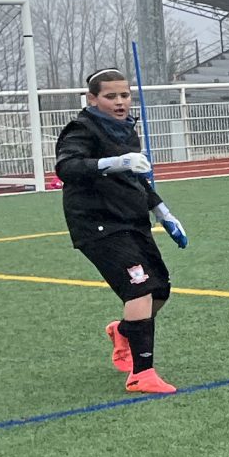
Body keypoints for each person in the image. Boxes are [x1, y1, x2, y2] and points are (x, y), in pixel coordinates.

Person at [53, 68, 191, 392]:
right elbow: (66, 167)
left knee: (160, 290)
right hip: (97, 224)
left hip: (131, 219)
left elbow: (137, 178)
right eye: (110, 96)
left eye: (125, 95)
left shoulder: (127, 129)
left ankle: (124, 331)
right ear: (92, 99)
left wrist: (163, 212)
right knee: (139, 288)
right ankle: (142, 374)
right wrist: (115, 163)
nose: (120, 102)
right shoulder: (81, 129)